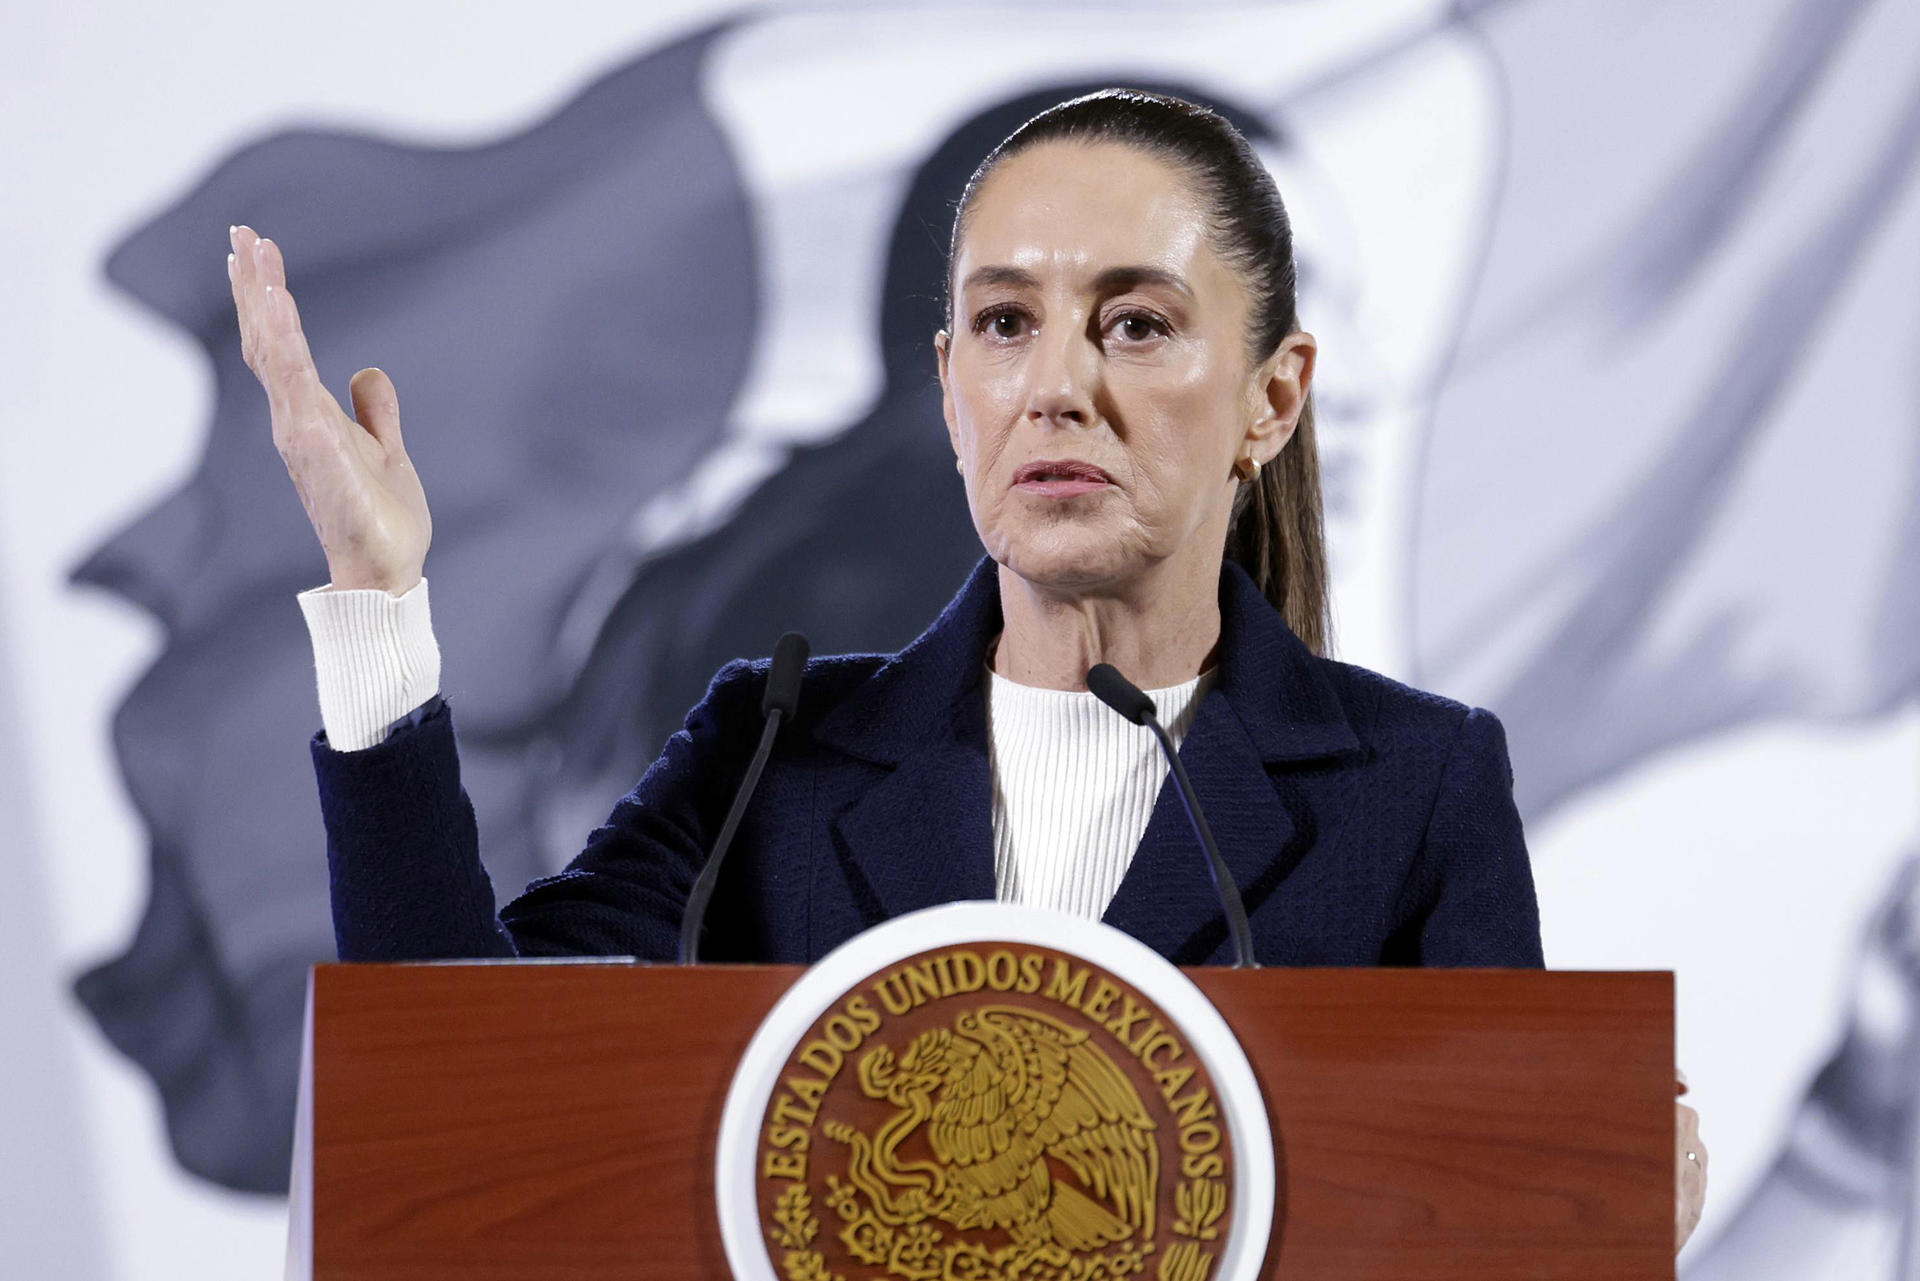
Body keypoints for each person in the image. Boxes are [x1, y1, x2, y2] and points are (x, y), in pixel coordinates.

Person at [226, 88, 1704, 1248]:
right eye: (1007, 323)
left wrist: (1608, 1212)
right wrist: (377, 600)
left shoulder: (1418, 786)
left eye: (1135, 323)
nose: (1057, 383)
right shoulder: (770, 750)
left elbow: (1491, 1219)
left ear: (1273, 397)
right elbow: (458, 1082)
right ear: (949, 389)